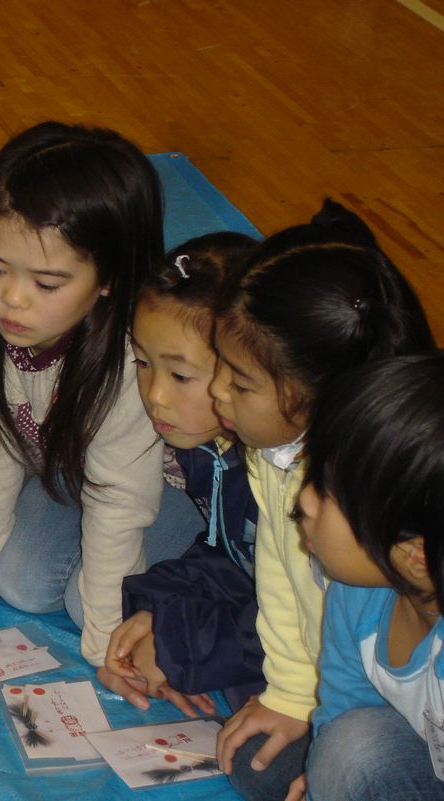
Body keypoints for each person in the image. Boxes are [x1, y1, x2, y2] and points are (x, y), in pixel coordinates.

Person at [0, 121, 203, 666]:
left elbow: (120, 501)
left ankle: (217, 559)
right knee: (19, 581)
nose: (11, 300)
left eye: (48, 284)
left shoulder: (132, 354)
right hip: (70, 467)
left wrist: (106, 646)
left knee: (83, 602)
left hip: (163, 486)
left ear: (110, 278)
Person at [210, 199, 435, 801]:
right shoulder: (357, 586)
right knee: (269, 759)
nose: (215, 393)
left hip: (397, 710)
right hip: (362, 696)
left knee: (338, 759)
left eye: (239, 379)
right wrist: (289, 697)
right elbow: (283, 582)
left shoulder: (384, 511)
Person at [101, 231, 263, 718]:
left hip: (314, 641)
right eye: (143, 363)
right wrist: (157, 610)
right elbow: (226, 554)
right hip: (259, 607)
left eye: (181, 375)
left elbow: (308, 619)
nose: (153, 395)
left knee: (261, 756)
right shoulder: (205, 442)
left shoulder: (286, 473)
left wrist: (177, 643)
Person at [282, 353, 444, 801]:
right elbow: (342, 710)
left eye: (330, 493)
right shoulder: (356, 591)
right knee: (344, 750)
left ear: (416, 556)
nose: (305, 502)